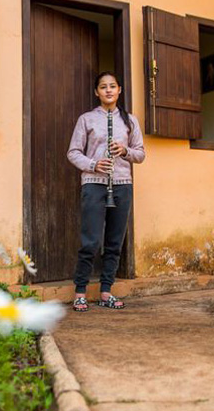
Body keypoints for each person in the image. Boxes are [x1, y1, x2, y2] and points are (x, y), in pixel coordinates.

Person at [66, 71, 145, 312]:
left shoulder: (130, 120)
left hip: (122, 184)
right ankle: (80, 292)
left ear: (119, 90)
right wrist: (93, 164)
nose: (108, 90)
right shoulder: (86, 119)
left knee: (114, 241)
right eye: (103, 87)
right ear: (96, 92)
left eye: (112, 86)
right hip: (94, 183)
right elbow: (73, 152)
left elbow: (140, 154)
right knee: (90, 240)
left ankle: (106, 291)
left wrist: (124, 151)